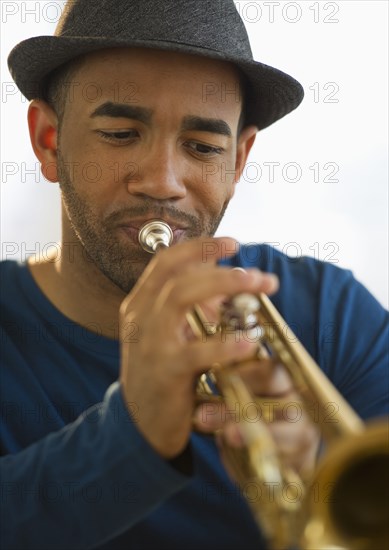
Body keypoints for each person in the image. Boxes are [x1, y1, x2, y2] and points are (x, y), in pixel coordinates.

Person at [1, 0, 388, 549]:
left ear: (238, 161)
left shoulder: (334, 314)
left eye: (203, 147)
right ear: (49, 141)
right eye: (119, 133)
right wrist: (130, 435)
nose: (163, 182)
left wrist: (322, 481)